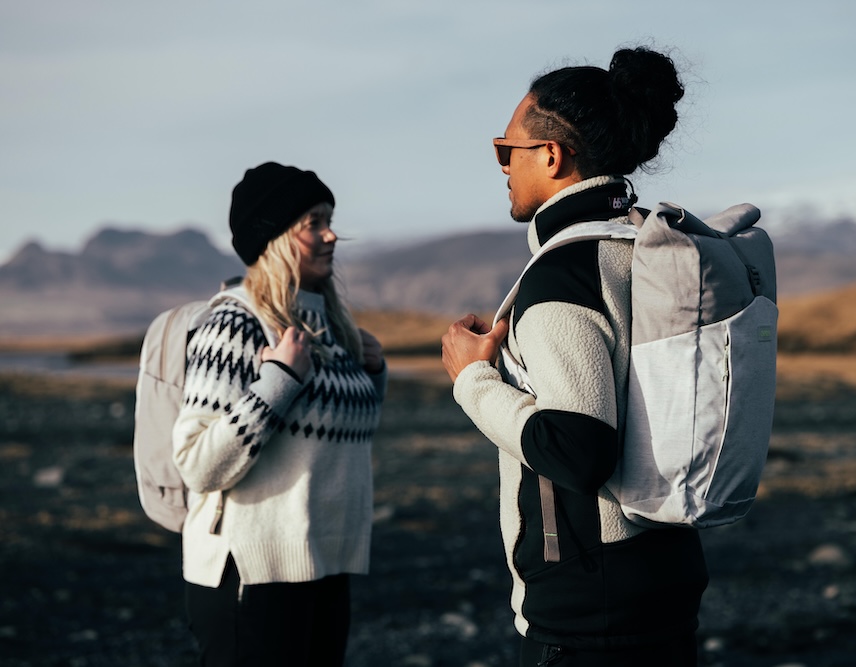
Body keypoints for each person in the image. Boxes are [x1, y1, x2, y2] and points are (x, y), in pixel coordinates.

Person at [441, 47, 708, 666]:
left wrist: (473, 378)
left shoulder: (565, 274)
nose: (502, 165)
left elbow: (577, 448)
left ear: (551, 156)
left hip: (594, 603)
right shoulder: (647, 249)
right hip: (666, 569)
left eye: (506, 150)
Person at [173, 161, 387, 667]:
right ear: (272, 237)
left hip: (323, 569)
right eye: (313, 222)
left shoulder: (328, 323)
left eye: (329, 218)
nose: (331, 234)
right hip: (251, 578)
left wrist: (372, 376)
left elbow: (334, 442)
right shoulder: (234, 324)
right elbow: (197, 463)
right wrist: (278, 383)